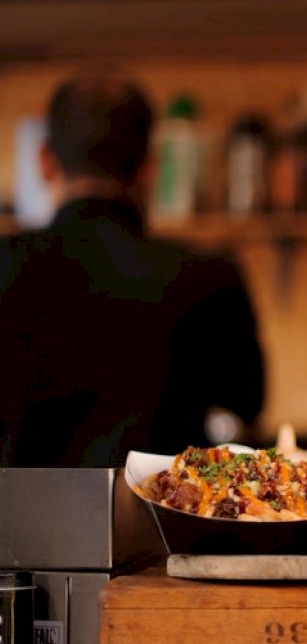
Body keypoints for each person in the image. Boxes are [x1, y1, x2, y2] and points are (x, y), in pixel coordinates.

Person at [0, 70, 264, 466]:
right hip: (158, 524)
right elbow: (245, 410)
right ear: (150, 168)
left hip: (17, 527)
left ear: (44, 160)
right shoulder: (209, 278)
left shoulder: (5, 267)